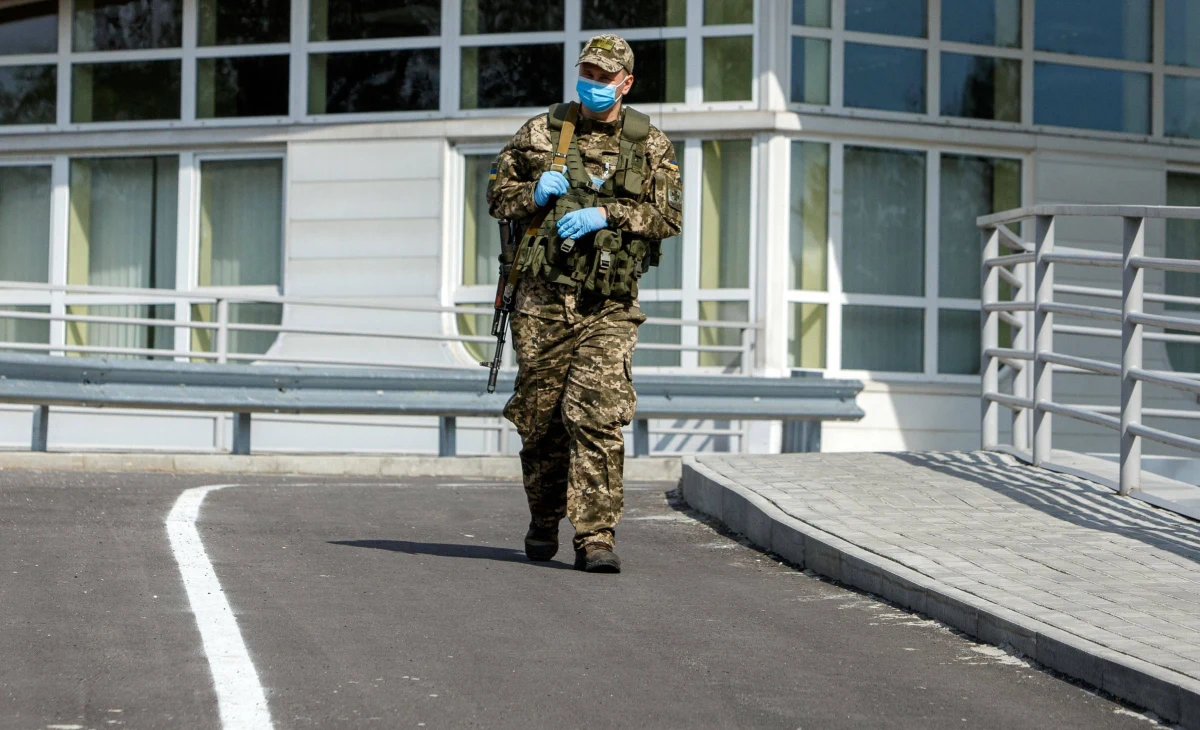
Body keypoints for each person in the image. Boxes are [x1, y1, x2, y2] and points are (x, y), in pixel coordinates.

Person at [486, 34, 683, 573]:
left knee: (596, 415)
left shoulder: (651, 144)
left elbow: (668, 218)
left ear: (626, 83)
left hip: (608, 305)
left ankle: (595, 536)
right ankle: (544, 516)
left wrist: (609, 214)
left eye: (604, 76)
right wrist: (533, 193)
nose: (593, 83)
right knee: (541, 421)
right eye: (587, 73)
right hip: (542, 301)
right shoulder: (540, 132)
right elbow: (497, 198)